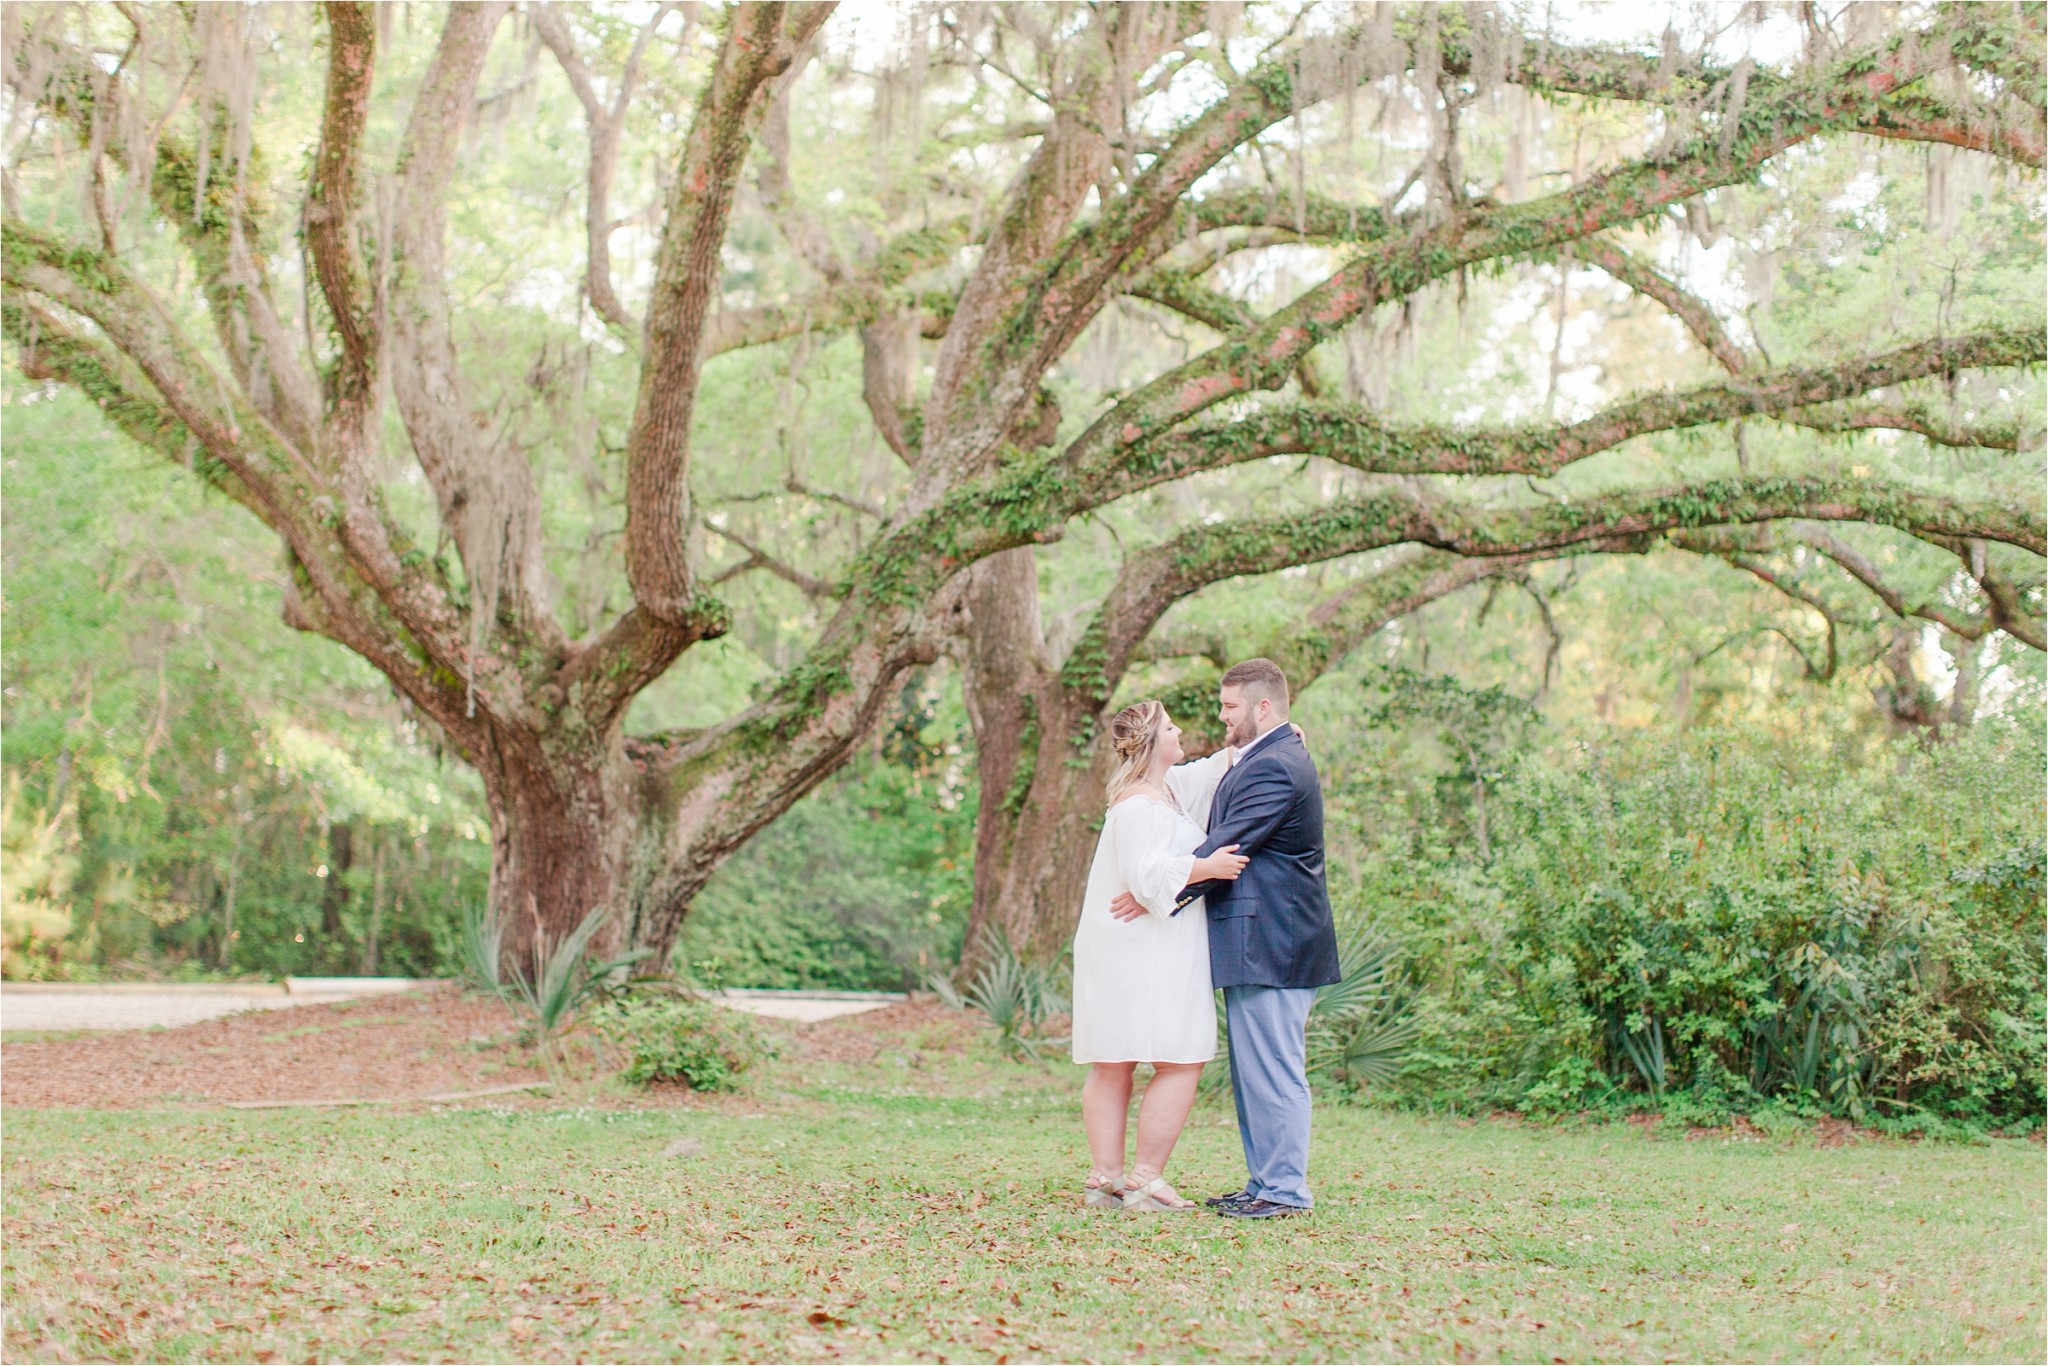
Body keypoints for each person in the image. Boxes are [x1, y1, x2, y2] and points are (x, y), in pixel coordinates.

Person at [1110, 658, 1340, 1219]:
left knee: (1275, 1071)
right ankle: (1264, 1183)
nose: (1222, 716)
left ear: (1263, 707)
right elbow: (1220, 787)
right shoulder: (1266, 754)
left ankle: (1285, 1191)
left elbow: (1229, 843)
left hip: (1276, 944)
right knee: (1255, 1074)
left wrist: (1155, 890)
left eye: (1230, 707)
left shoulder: (1277, 765)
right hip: (1257, 945)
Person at [1069, 699, 1248, 1211]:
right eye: (1171, 727)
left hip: (1149, 941)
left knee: (1119, 1059)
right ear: (1152, 743)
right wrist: (1206, 866)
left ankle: (1107, 1180)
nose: (1181, 731)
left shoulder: (1167, 791)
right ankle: (1141, 1178)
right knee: (1176, 1058)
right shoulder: (1138, 806)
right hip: (1138, 948)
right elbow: (1147, 878)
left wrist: (1280, 729)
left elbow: (1213, 767)